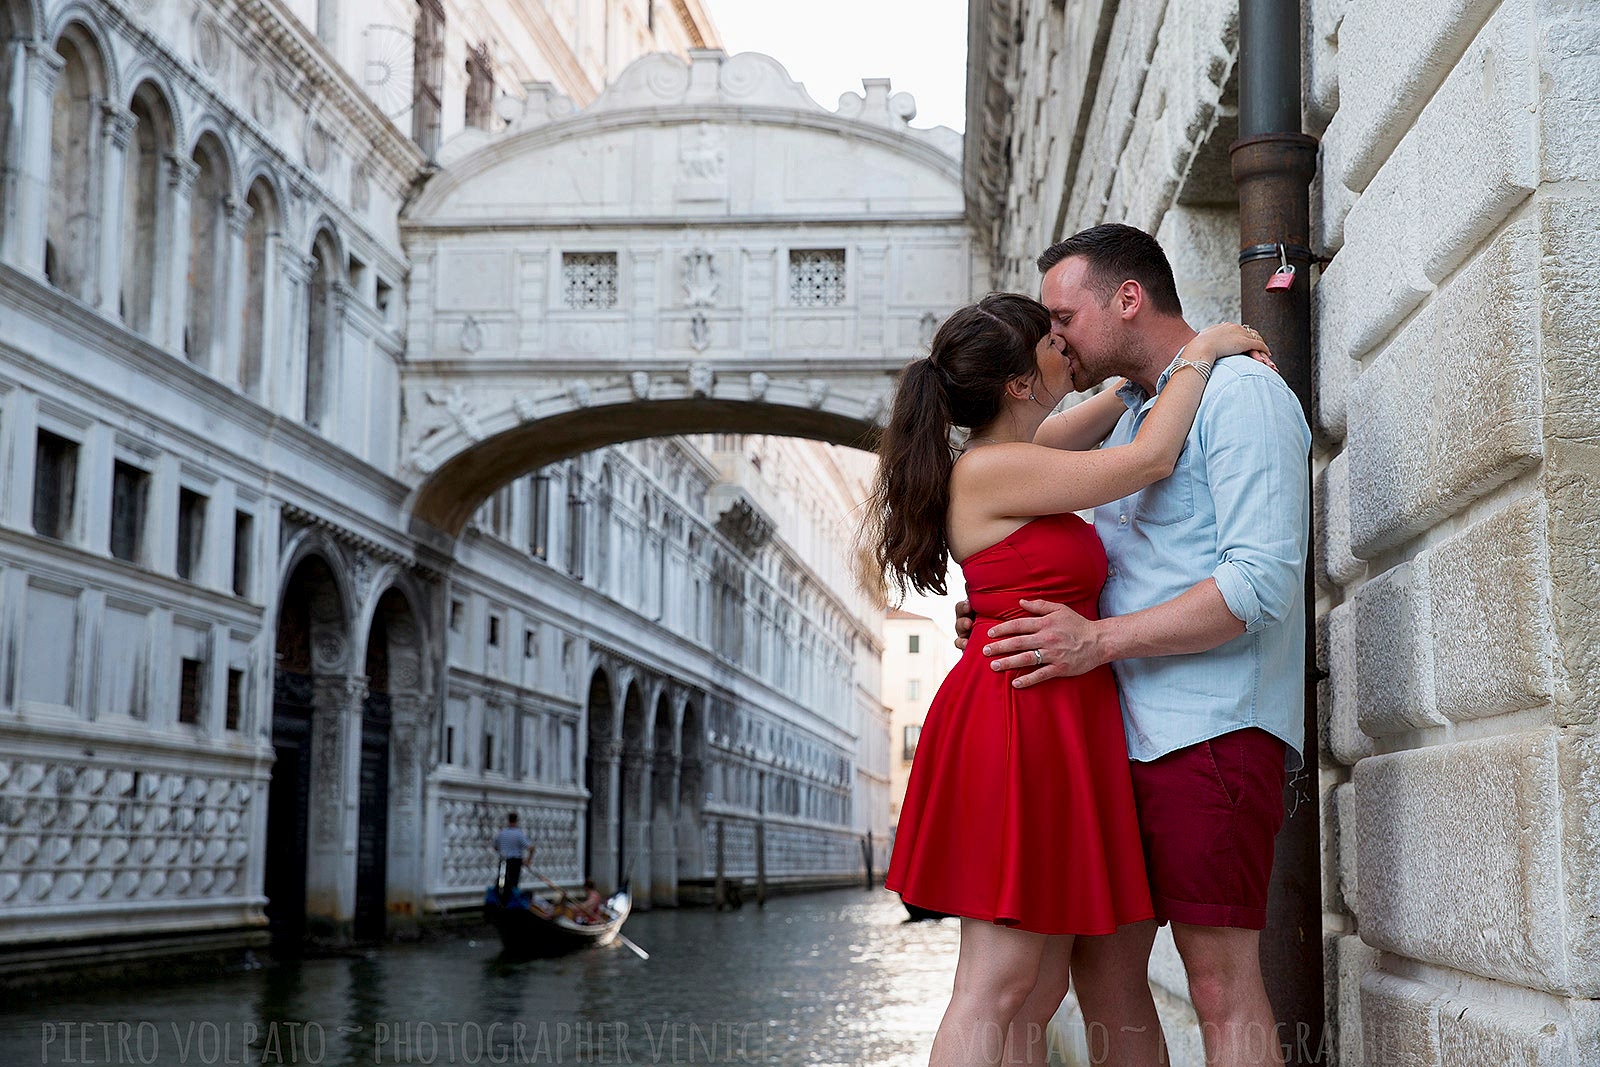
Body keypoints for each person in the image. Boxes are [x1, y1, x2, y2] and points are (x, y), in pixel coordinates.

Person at [861, 291, 1269, 1067]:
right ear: (1021, 380)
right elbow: (1146, 459)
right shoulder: (995, 467)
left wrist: (1145, 371)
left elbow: (1119, 404)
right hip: (1017, 720)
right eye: (1054, 341)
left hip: (1050, 715)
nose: (1068, 348)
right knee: (999, 980)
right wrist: (1203, 349)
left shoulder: (1027, 447)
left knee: (1039, 987)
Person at [961, 223, 1311, 1067]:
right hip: (1116, 738)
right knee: (1103, 975)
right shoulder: (1129, 419)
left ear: (1127, 299)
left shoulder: (1242, 396)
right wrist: (1004, 608)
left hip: (1213, 732)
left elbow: (1258, 583)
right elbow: (1028, 484)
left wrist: (1096, 640)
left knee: (1220, 981)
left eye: (1063, 316)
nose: (1056, 338)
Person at [491, 812, 534, 903]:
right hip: (515, 862)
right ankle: (511, 901)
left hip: (503, 861)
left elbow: (495, 847)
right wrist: (528, 860)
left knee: (502, 881)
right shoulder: (519, 834)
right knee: (513, 882)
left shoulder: (502, 833)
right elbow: (531, 848)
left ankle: (501, 900)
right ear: (516, 821)